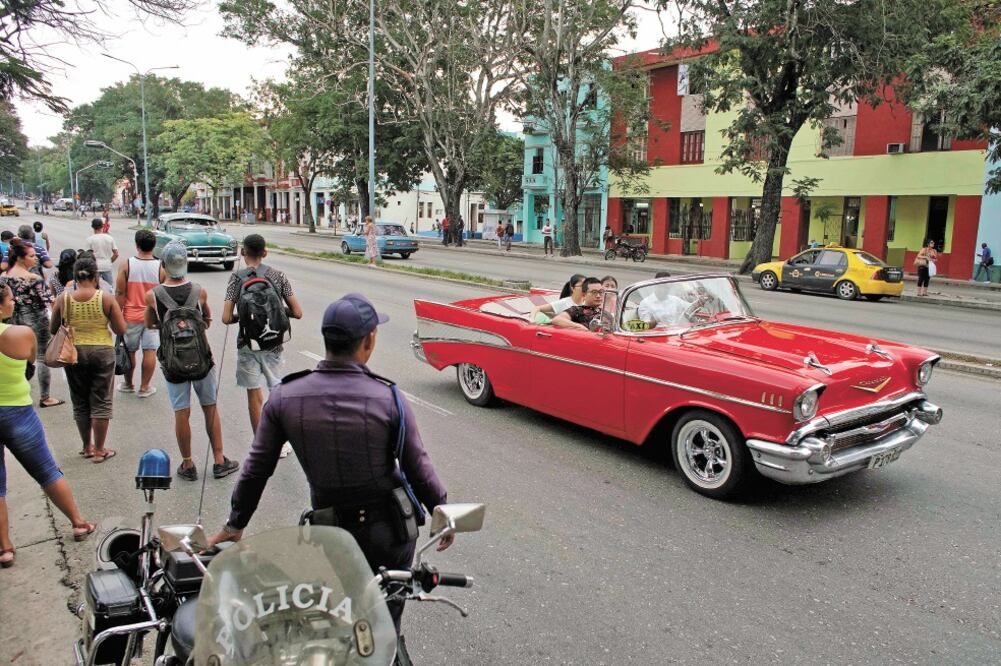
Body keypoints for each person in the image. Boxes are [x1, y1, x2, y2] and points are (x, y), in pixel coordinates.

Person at [207, 293, 450, 633]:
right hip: (389, 534)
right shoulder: (389, 397)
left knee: (340, 609)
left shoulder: (284, 397)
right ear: (368, 341)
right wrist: (443, 510)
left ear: (327, 340)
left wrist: (236, 523)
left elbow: (256, 468)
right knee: (384, 622)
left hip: (331, 533)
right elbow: (417, 468)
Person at [0, 284, 97, 569]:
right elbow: (30, 363)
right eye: (9, 298)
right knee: (46, 470)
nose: (13, 301)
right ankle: (78, 523)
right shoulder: (20, 334)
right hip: (17, 411)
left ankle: (4, 548)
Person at [145, 243, 239, 481]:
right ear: (185, 264)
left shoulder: (153, 295)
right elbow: (206, 321)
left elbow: (150, 324)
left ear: (163, 265)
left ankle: (188, 464)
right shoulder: (199, 291)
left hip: (173, 363)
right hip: (202, 361)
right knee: (210, 407)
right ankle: (219, 460)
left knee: (181, 411)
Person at [221, 234, 303, 457]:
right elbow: (297, 312)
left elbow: (226, 317)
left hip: (248, 345)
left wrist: (246, 318)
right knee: (276, 393)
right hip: (274, 345)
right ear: (265, 253)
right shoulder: (278, 276)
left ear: (242, 253)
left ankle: (261, 444)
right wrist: (276, 313)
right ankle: (280, 443)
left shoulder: (236, 279)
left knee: (253, 394)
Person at [50, 256, 127, 461]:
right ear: (96, 277)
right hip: (102, 351)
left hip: (73, 352)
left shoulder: (63, 299)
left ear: (75, 278)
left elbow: (53, 328)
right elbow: (120, 329)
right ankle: (100, 450)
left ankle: (87, 447)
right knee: (101, 400)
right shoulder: (106, 298)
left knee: (80, 400)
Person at [2, 240, 62, 408]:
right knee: (42, 357)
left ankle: (17, 392)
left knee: (16, 357)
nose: (35, 259)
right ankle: (45, 397)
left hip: (13, 320)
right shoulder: (34, 278)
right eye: (31, 256)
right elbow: (50, 302)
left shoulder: (3, 277)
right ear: (21, 258)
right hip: (37, 320)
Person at [116, 230, 165, 398]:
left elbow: (120, 293)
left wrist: (117, 315)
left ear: (137, 245)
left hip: (130, 316)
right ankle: (144, 387)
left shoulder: (126, 265)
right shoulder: (161, 267)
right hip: (152, 317)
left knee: (129, 351)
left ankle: (128, 384)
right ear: (154, 246)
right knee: (150, 350)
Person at [84, 218, 119, 286]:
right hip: (107, 266)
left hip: (94, 267)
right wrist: (109, 261)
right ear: (102, 226)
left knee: (95, 288)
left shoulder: (89, 240)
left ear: (92, 227)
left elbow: (87, 256)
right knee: (109, 288)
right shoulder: (109, 238)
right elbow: (116, 254)